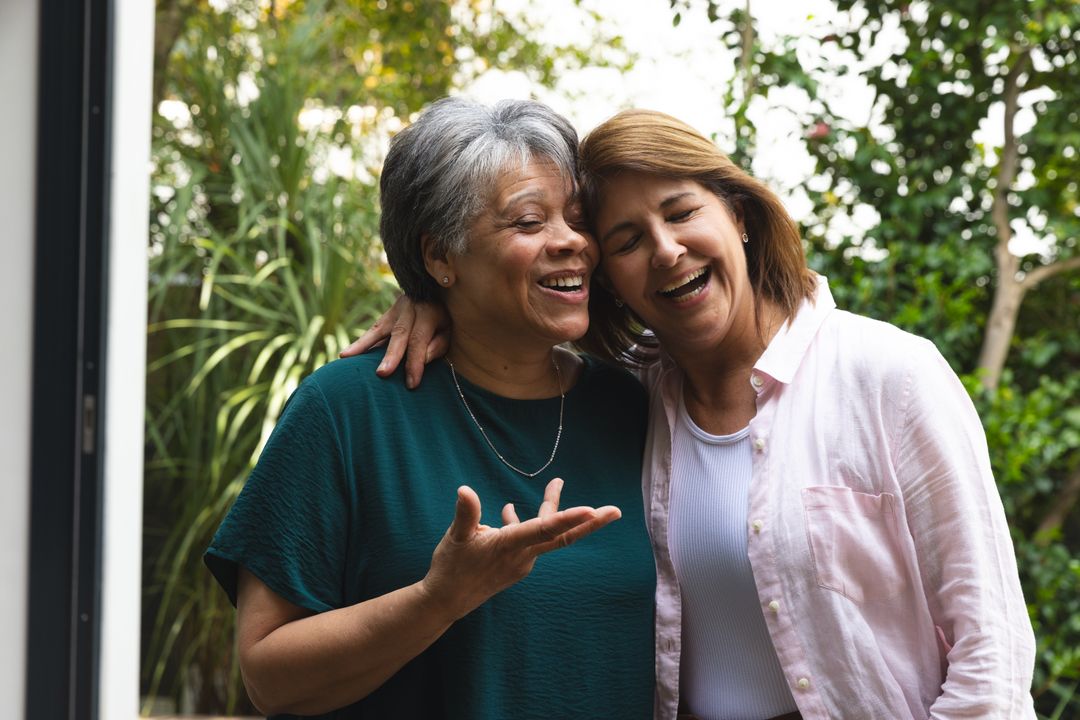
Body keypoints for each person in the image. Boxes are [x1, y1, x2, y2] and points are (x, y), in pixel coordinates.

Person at [347, 108, 1038, 719]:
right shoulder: (630, 400)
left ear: (737, 213)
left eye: (681, 213)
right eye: (625, 240)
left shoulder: (888, 376)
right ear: (605, 273)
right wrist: (435, 299)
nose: (666, 250)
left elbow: (993, 656)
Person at [204, 97, 657, 720]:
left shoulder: (633, 405)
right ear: (439, 257)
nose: (571, 243)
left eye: (576, 219)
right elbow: (269, 678)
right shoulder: (346, 410)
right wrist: (439, 599)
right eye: (528, 222)